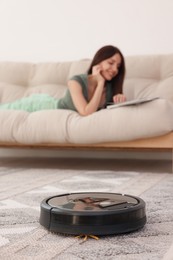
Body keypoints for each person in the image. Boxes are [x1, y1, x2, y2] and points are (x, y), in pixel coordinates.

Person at [0, 45, 126, 116]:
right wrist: (100, 83)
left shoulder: (110, 89)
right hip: (40, 105)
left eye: (118, 66)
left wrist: (119, 101)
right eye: (111, 63)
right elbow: (85, 112)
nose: (115, 69)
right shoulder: (76, 81)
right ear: (98, 61)